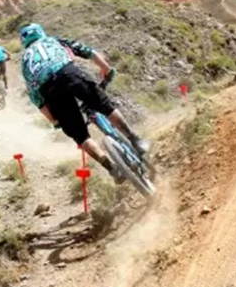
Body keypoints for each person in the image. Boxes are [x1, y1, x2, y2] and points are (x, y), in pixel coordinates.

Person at [19, 23, 150, 183]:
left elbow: (36, 98)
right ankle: (135, 140)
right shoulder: (53, 41)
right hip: (69, 73)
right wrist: (106, 69)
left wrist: (53, 120)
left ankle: (112, 169)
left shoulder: (25, 61)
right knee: (105, 106)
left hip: (50, 91)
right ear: (41, 33)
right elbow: (86, 51)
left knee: (80, 137)